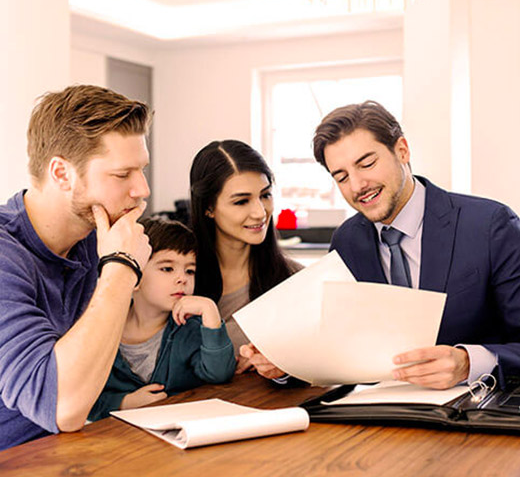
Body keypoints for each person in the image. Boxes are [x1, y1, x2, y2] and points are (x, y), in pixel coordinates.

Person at [312, 100, 520, 390]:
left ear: (402, 150)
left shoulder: (489, 225)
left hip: (474, 410)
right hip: (381, 413)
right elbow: (339, 343)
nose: (357, 185)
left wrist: (469, 362)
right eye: (342, 177)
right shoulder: (346, 241)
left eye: (367, 164)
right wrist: (282, 364)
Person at [0, 85, 153, 450]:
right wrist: (121, 267)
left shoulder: (93, 238)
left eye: (142, 171)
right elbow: (60, 407)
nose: (142, 189)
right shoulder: (7, 255)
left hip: (59, 453)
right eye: (122, 175)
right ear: (61, 173)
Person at [88, 218, 235, 421]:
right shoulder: (101, 328)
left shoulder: (190, 327)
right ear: (134, 276)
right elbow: (84, 398)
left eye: (190, 271)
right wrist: (124, 403)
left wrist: (210, 311)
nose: (182, 278)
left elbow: (219, 373)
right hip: (117, 441)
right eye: (167, 269)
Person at [189, 140, 300, 379]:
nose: (260, 212)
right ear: (209, 207)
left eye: (265, 195)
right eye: (241, 201)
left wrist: (284, 368)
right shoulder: (177, 277)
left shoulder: (295, 281)